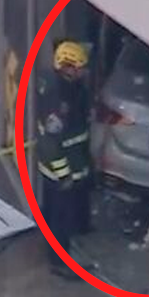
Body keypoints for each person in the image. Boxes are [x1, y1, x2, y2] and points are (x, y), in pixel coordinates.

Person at [35, 38, 94, 279]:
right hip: (60, 170)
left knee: (64, 212)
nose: (83, 72)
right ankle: (59, 262)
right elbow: (50, 142)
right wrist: (64, 174)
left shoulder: (72, 88)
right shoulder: (56, 98)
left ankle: (75, 233)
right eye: (79, 67)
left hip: (76, 161)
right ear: (67, 67)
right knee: (59, 217)